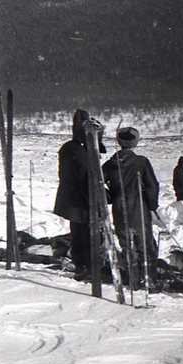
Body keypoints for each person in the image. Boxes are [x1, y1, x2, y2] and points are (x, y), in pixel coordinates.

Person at [102, 127, 160, 287]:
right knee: (145, 244)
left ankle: (132, 280)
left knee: (126, 245)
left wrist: (111, 197)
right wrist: (152, 204)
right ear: (135, 142)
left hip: (120, 210)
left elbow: (98, 186)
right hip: (138, 208)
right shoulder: (141, 162)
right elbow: (152, 186)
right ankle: (150, 280)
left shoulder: (109, 165)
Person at [53, 109, 106, 281]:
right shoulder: (82, 153)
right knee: (89, 236)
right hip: (82, 202)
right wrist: (102, 199)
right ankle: (90, 270)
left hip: (71, 201)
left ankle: (81, 268)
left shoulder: (68, 148)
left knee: (77, 234)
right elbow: (87, 182)